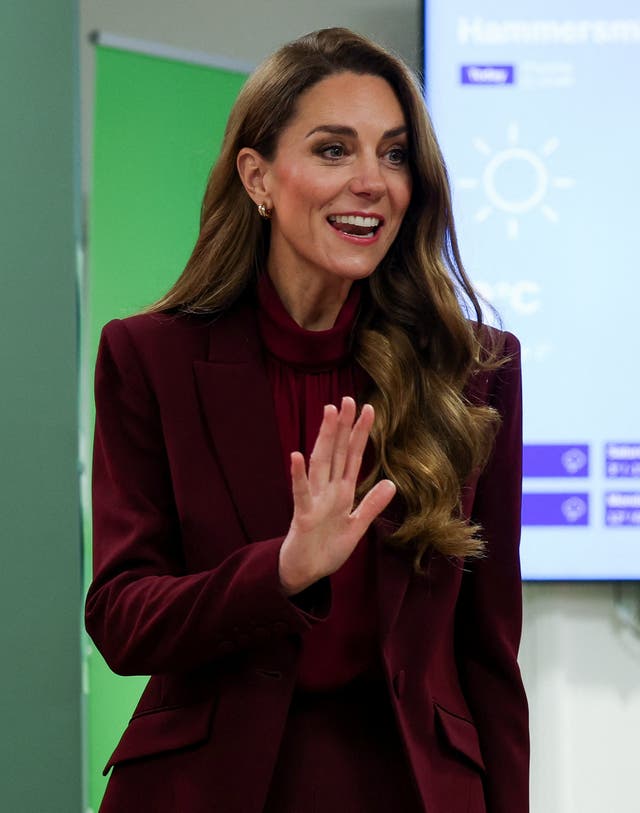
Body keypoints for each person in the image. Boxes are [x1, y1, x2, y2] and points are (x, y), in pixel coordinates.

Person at [86, 27, 529, 813]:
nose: (372, 182)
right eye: (333, 150)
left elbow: (489, 652)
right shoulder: (149, 357)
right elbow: (122, 617)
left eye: (394, 155)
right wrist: (282, 571)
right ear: (257, 177)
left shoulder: (472, 371)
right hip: (205, 791)